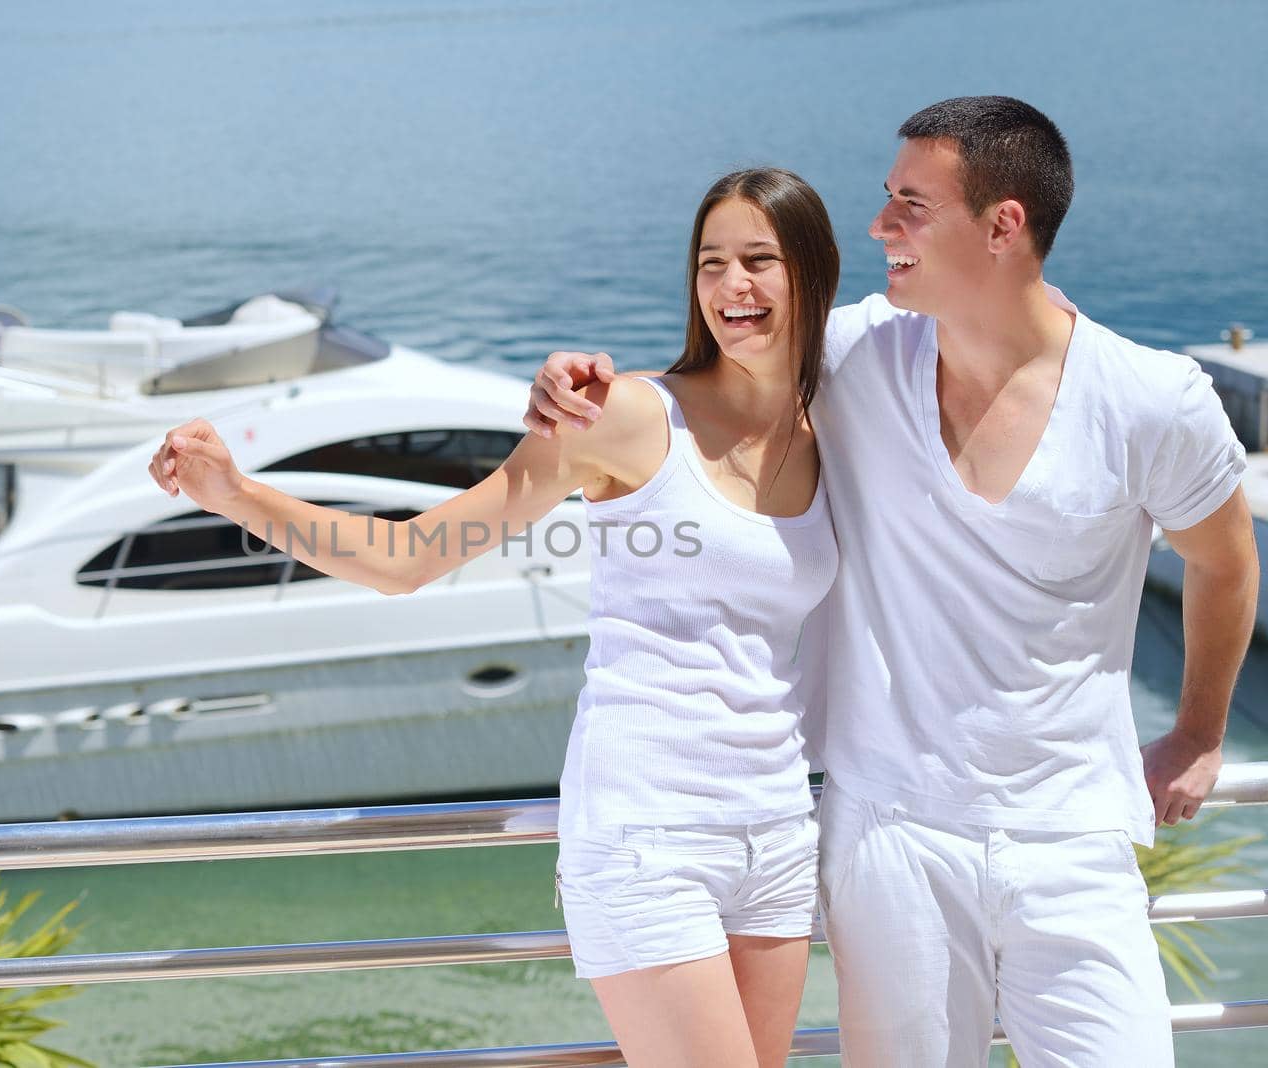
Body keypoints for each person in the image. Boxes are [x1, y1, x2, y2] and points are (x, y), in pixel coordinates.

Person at [523, 96, 1259, 1066]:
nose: (877, 228)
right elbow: (711, 380)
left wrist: (1200, 735)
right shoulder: (855, 353)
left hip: (1073, 837)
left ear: (1002, 226)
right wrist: (580, 382)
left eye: (909, 205)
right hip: (888, 836)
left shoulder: (1149, 401)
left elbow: (1221, 559)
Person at [149, 167, 841, 1068]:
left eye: (760, 260)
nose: (730, 287)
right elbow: (409, 559)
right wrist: (234, 492)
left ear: (812, 274)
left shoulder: (832, 427)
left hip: (779, 828)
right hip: (648, 833)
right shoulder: (625, 417)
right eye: (712, 263)